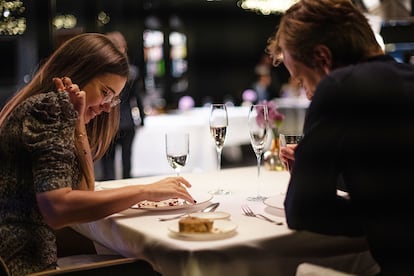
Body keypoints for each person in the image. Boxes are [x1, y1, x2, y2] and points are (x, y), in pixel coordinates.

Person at [0, 33, 195, 275]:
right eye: (105, 92)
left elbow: (85, 191)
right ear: (79, 72)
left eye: (113, 98)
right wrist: (146, 191)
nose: (106, 106)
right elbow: (58, 208)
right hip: (26, 266)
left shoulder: (57, 108)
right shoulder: (48, 107)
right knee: (158, 265)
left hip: (30, 258)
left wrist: (79, 121)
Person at [266, 0, 414, 275]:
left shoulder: (339, 86)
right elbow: (388, 179)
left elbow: (303, 211)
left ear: (323, 59)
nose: (308, 93)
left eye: (302, 79)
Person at [100, 31, 144, 180]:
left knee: (108, 163)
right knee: (127, 161)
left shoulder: (102, 73)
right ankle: (127, 192)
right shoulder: (132, 72)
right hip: (127, 121)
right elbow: (137, 99)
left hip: (108, 122)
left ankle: (110, 192)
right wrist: (142, 119)